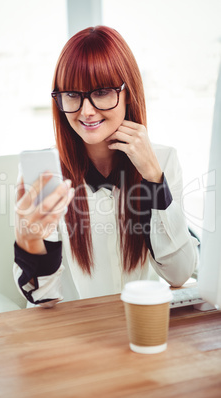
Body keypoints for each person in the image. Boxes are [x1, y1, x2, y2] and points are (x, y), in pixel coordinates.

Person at [13, 26, 199, 308]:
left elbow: (180, 273)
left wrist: (153, 178)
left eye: (101, 92)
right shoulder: (46, 172)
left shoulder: (162, 161)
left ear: (128, 93)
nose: (86, 110)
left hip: (138, 321)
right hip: (70, 335)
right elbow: (44, 299)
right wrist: (29, 241)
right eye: (72, 95)